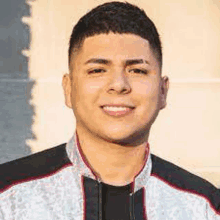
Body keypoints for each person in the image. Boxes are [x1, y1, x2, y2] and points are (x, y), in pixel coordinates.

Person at [0, 1, 219, 219]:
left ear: (163, 91)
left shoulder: (204, 207)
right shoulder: (8, 198)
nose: (118, 84)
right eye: (97, 70)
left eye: (137, 70)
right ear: (69, 89)